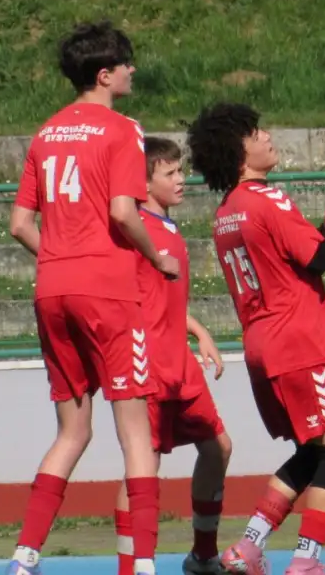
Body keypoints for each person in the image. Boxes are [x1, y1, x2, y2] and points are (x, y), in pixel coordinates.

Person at [7, 21, 180, 575]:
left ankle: (24, 557)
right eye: (127, 64)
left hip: (52, 289)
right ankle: (145, 564)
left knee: (72, 431)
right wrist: (158, 259)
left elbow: (19, 224)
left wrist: (60, 256)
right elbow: (124, 212)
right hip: (107, 292)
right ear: (105, 75)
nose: (133, 71)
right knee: (135, 433)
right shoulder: (122, 129)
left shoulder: (45, 132)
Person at [186, 104, 325, 575]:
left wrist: (324, 224)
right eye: (256, 132)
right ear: (238, 150)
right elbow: (320, 260)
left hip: (264, 345)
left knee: (313, 448)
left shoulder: (227, 213)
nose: (267, 136)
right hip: (300, 342)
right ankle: (306, 560)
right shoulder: (267, 199)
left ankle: (248, 546)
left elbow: (290, 261)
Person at [113, 137, 232, 575]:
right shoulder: (133, 231)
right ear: (144, 184)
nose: (182, 179)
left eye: (181, 170)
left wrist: (198, 330)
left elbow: (164, 298)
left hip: (179, 357)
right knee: (143, 467)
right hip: (147, 361)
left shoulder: (170, 228)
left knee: (218, 447)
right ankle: (131, 567)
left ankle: (202, 555)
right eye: (170, 173)